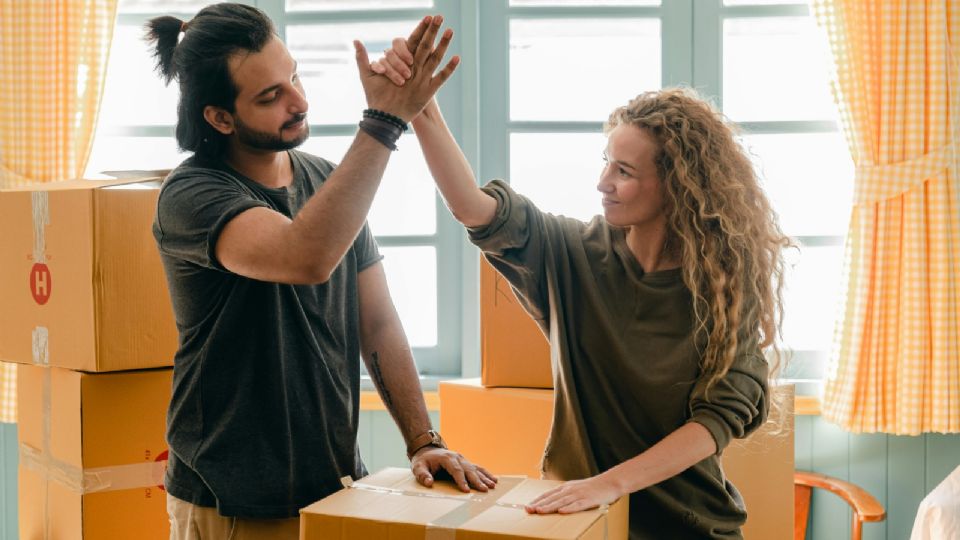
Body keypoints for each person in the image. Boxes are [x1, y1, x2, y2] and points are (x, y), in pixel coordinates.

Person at [373, 36, 790, 539]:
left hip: (690, 527)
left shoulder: (722, 286)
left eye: (624, 171)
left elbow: (716, 420)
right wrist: (419, 109)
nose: (602, 182)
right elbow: (472, 207)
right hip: (582, 523)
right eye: (606, 162)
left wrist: (609, 483)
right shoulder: (571, 253)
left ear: (677, 184)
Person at [145, 5, 495, 538]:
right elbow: (304, 257)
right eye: (270, 97)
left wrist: (424, 440)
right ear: (220, 117)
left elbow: (376, 321)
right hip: (232, 501)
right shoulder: (192, 195)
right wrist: (384, 120)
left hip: (333, 488)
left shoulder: (327, 181)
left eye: (294, 76)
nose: (299, 101)